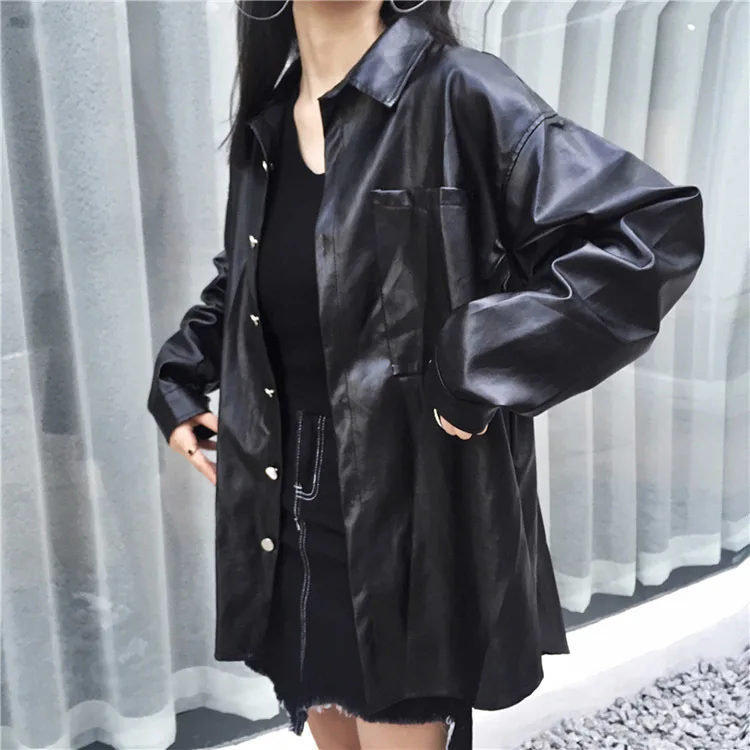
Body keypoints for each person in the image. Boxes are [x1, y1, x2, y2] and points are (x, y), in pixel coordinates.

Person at [148, 1, 704, 748]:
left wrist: (476, 363)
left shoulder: (459, 92)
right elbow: (249, 276)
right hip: (282, 503)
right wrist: (180, 378)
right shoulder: (270, 122)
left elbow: (648, 236)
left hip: (406, 510)